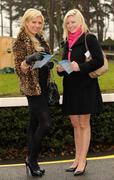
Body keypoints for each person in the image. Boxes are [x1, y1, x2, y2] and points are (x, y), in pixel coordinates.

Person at [57, 9, 104, 176]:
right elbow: (65, 67)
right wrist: (61, 69)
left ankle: (83, 160)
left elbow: (98, 61)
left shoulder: (89, 38)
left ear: (80, 22)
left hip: (86, 87)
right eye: (67, 23)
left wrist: (80, 67)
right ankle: (77, 159)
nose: (70, 25)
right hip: (70, 87)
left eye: (73, 22)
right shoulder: (66, 42)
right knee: (75, 124)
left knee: (84, 124)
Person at [13, 8, 52, 177]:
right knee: (45, 123)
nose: (37, 25)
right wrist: (29, 60)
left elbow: (45, 60)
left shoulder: (41, 38)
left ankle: (32, 160)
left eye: (39, 22)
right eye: (33, 22)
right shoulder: (20, 41)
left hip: (44, 86)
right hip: (32, 88)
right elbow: (19, 69)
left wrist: (48, 63)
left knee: (34, 124)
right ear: (26, 22)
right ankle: (32, 159)